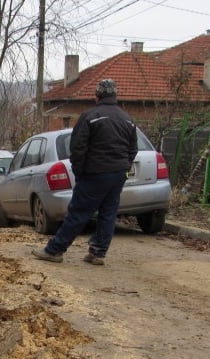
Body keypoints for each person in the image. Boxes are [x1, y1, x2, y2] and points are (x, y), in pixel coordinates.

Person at [32, 78, 138, 265]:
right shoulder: (127, 119)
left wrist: (79, 172)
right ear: (115, 96)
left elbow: (77, 148)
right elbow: (132, 149)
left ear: (96, 96)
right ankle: (98, 253)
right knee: (108, 213)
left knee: (79, 212)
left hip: (95, 173)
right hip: (118, 174)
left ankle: (54, 250)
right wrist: (124, 166)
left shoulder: (91, 116)